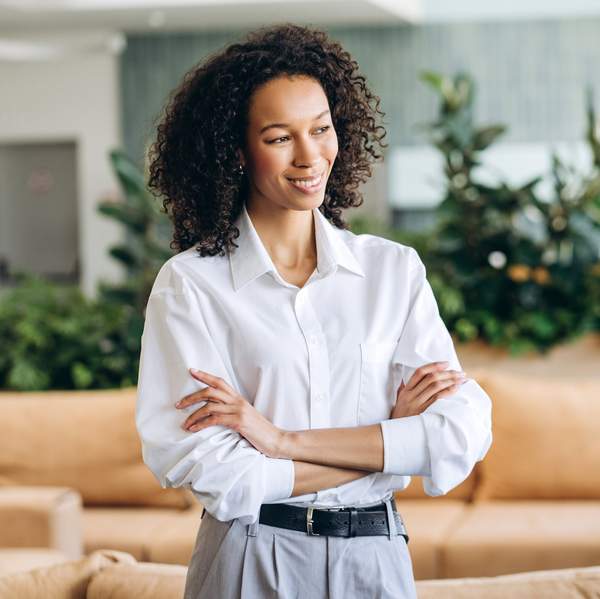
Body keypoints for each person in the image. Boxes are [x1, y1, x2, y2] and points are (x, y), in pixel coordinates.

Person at [135, 22, 493, 599]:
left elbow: (460, 433)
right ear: (235, 150)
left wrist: (279, 440)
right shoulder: (191, 286)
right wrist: (391, 451)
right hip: (251, 555)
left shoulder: (392, 272)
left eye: (321, 129)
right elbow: (215, 471)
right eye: (279, 137)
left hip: (377, 559)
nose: (310, 155)